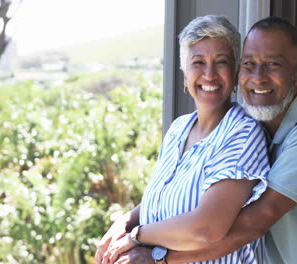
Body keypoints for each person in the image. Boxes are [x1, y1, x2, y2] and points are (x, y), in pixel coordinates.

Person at [113, 16, 297, 264]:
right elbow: (178, 192)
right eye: (249, 64)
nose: (258, 78)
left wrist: (159, 258)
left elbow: (253, 222)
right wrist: (126, 223)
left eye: (273, 64)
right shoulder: (255, 127)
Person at [95, 15, 271, 264]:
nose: (209, 74)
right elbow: (159, 202)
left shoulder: (243, 134)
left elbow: (207, 228)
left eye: (221, 62)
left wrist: (137, 236)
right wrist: (123, 223)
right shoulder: (178, 129)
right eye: (198, 62)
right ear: (184, 75)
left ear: (234, 72)